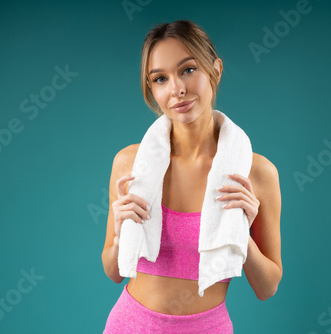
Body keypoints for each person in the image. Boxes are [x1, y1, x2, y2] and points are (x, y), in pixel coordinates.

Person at [101, 20, 282, 333]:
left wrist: (241, 233)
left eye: (188, 70)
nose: (177, 89)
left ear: (216, 70)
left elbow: (267, 288)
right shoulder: (130, 164)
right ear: (152, 89)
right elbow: (113, 271)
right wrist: (119, 232)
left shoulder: (256, 174)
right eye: (160, 79)